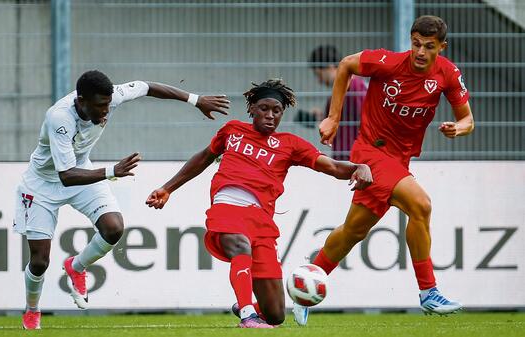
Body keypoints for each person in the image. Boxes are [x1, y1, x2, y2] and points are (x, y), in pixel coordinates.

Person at [146, 79, 372, 328]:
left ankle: (251, 308)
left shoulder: (290, 144)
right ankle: (246, 314)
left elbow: (331, 166)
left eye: (277, 111)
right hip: (227, 205)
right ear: (251, 108)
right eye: (264, 108)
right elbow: (203, 158)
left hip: (262, 220)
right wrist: (168, 188)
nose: (270, 115)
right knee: (240, 245)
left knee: (275, 314)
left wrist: (358, 167)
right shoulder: (232, 130)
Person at [293, 15, 475, 325]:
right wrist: (334, 118)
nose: (419, 52)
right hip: (371, 153)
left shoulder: (447, 74)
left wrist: (458, 129)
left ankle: (304, 285)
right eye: (416, 44)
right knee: (421, 205)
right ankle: (429, 291)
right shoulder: (388, 63)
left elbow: (468, 120)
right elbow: (347, 64)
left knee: (353, 232)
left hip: (399, 160)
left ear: (441, 47)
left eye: (428, 47)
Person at [14, 70, 229, 330]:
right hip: (43, 186)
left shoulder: (112, 96)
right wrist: (111, 172)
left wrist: (195, 100)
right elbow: (66, 176)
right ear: (81, 100)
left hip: (82, 170)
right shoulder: (59, 118)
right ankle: (32, 309)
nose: (106, 110)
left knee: (113, 227)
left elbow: (148, 86)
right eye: (100, 105)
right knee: (39, 261)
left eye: (108, 103)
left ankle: (76, 266)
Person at [295, 45, 367, 160]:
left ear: (329, 67)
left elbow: (366, 119)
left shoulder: (355, 87)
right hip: (345, 157)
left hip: (355, 159)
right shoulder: (340, 91)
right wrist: (321, 116)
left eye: (319, 75)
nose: (319, 80)